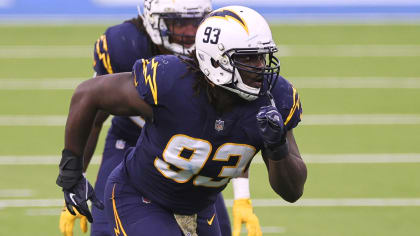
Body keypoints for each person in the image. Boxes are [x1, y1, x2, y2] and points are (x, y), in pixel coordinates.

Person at [56, 5, 307, 236]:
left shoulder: (275, 99)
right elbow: (87, 94)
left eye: (262, 56)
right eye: (248, 58)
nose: (261, 67)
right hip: (138, 197)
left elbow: (292, 192)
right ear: (216, 60)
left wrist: (277, 149)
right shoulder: (172, 81)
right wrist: (72, 173)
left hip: (199, 206)